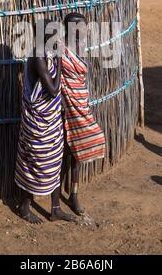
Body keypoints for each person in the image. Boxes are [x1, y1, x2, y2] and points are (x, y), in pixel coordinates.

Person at [15, 20, 74, 224]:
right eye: (55, 35)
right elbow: (54, 89)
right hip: (38, 122)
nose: (59, 39)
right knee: (35, 161)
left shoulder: (46, 53)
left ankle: (55, 209)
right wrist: (58, 62)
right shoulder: (39, 57)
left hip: (51, 120)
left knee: (55, 160)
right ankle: (24, 206)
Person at [61, 13, 106, 215]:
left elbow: (79, 78)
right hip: (64, 106)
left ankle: (74, 193)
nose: (86, 30)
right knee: (63, 151)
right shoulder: (59, 50)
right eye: (82, 27)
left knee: (81, 147)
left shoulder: (80, 48)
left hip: (80, 103)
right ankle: (56, 196)